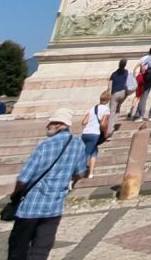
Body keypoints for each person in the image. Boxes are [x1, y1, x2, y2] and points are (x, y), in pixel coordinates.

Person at [6, 108, 87, 260]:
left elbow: (23, 178)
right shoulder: (78, 144)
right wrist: (68, 181)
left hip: (30, 206)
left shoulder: (45, 145)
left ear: (59, 124)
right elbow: (80, 173)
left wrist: (16, 193)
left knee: (18, 248)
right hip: (54, 207)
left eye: (51, 123)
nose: (48, 126)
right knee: (41, 250)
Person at [79, 91, 112, 178]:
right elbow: (103, 124)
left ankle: (90, 173)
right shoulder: (106, 109)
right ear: (108, 100)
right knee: (86, 154)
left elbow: (84, 122)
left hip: (86, 132)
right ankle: (76, 174)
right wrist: (106, 133)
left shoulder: (92, 108)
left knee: (94, 151)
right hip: (95, 133)